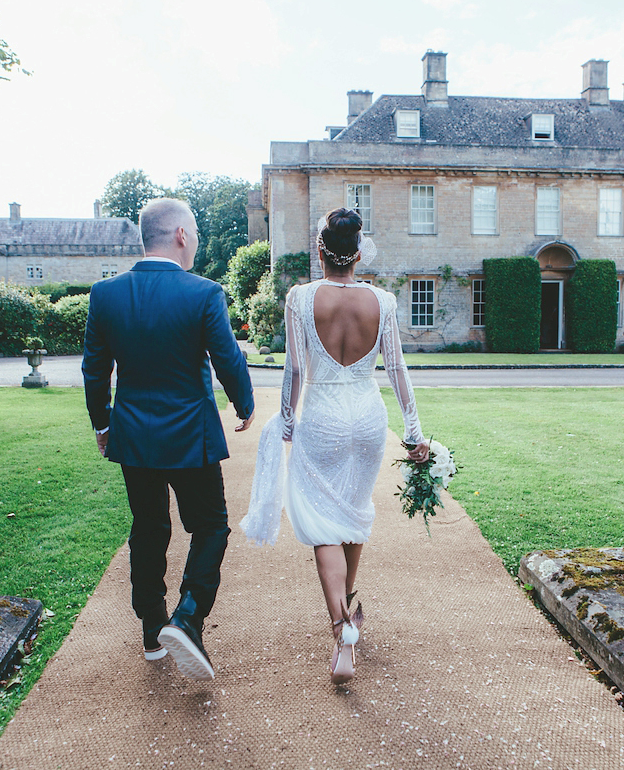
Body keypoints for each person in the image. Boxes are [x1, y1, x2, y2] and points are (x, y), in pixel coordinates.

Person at [241, 207, 428, 686]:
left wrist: (285, 419)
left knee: (324, 523)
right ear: (358, 253)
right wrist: (413, 432)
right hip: (367, 418)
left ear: (321, 251)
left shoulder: (301, 298)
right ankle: (348, 609)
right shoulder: (382, 302)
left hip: (322, 416)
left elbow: (296, 370)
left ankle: (342, 631)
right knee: (353, 512)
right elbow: (398, 370)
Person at [83, 198, 255, 681]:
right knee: (212, 526)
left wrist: (103, 425)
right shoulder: (203, 293)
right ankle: (188, 616)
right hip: (191, 437)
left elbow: (95, 372)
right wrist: (244, 404)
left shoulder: (105, 295)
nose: (196, 241)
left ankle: (152, 628)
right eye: (195, 232)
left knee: (149, 528)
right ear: (180, 235)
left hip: (134, 436)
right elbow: (227, 358)